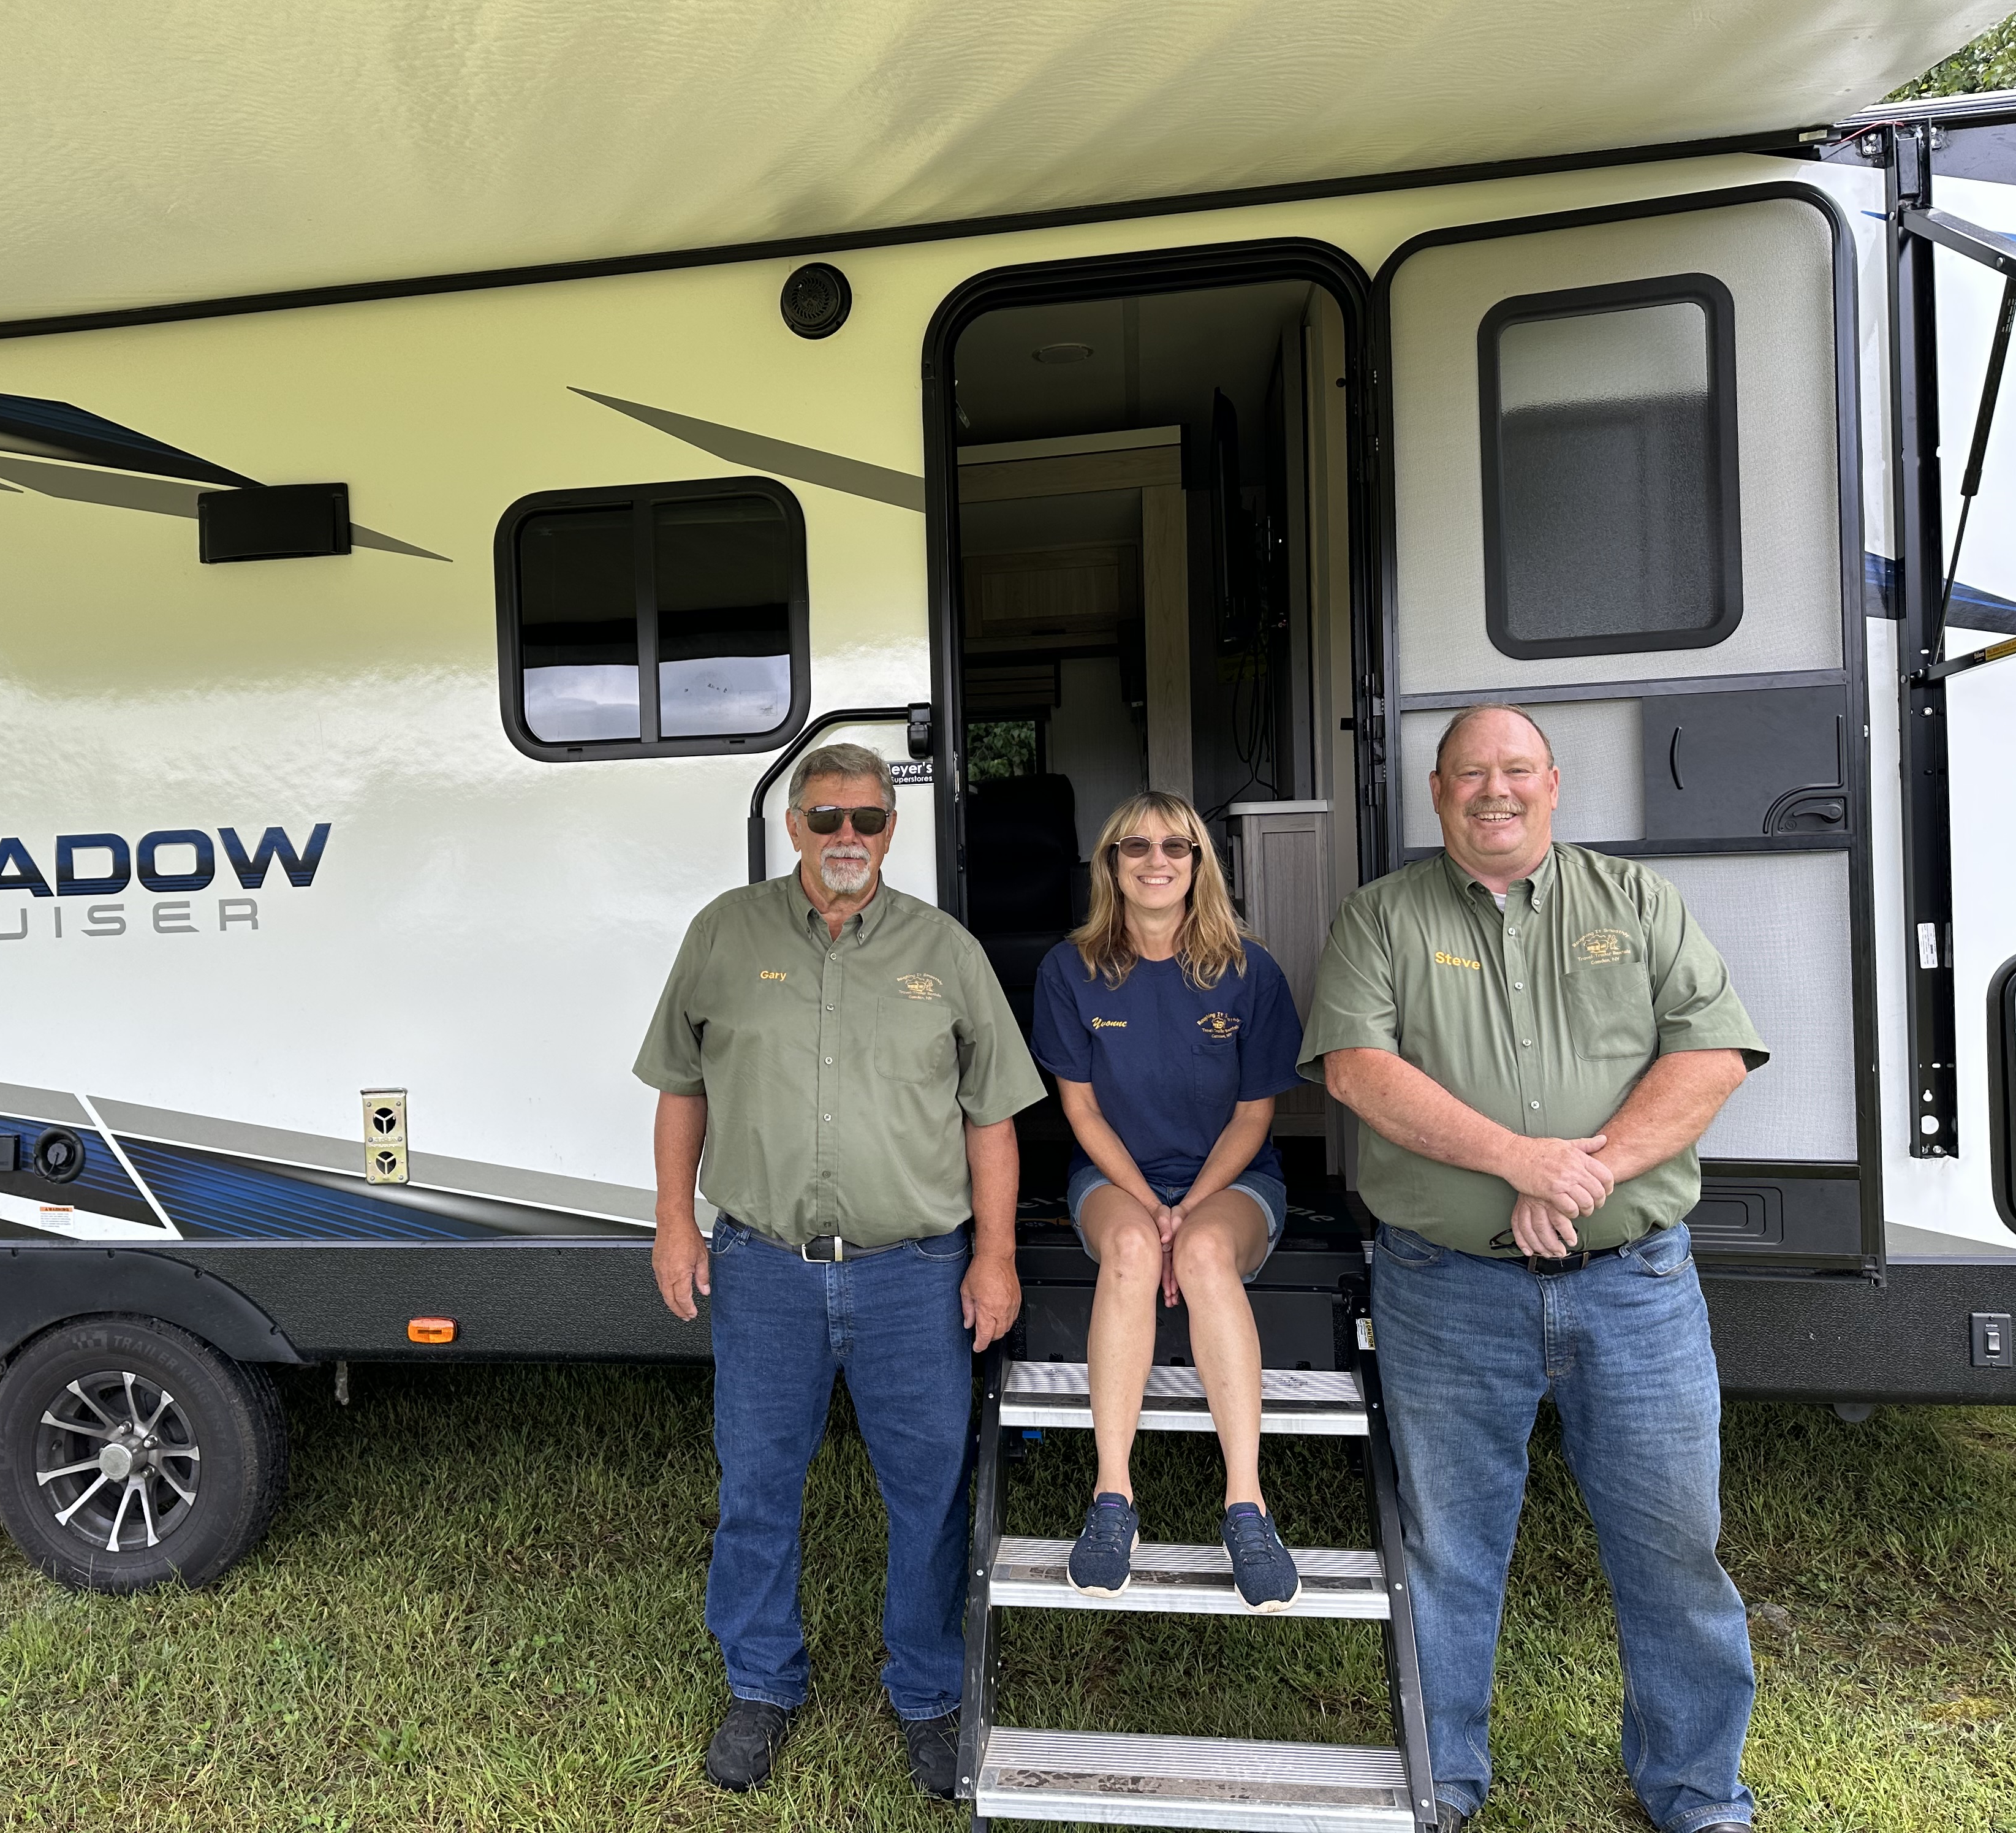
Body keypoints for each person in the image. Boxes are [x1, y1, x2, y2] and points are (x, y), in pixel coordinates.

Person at [1299, 702, 1766, 1833]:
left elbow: (1711, 1056)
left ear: (1553, 785)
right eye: (1469, 774)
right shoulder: (1382, 917)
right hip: (1445, 1288)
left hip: (1636, 1286)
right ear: (1437, 793)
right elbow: (1356, 1069)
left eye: (1516, 770)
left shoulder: (1636, 902)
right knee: (1449, 1550)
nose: (1493, 791)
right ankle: (1443, 1779)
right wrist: (1521, 1162)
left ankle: (1697, 1791)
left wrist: (1580, 1175)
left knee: (1673, 1547)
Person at [635, 741, 1044, 1801]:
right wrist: (674, 1223)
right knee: (757, 1485)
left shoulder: (945, 950)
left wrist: (995, 1257)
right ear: (795, 826)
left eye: (867, 818)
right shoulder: (724, 933)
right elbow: (681, 1087)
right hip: (764, 1267)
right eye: (827, 819)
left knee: (929, 1493)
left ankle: (928, 1693)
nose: (847, 837)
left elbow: (992, 1116)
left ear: (891, 830)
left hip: (914, 1273)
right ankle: (761, 1684)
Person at [1029, 790, 1306, 1609]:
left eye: (1175, 847)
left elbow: (1255, 1116)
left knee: (1207, 1251)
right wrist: (1153, 1208)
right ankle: (1113, 1497)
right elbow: (1081, 1112)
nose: (1157, 861)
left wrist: (1188, 1213)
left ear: (1198, 863)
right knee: (1130, 1248)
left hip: (1232, 1177)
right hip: (1118, 1178)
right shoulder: (1069, 969)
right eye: (1136, 847)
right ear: (1111, 864)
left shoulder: (1250, 970)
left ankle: (1247, 1505)